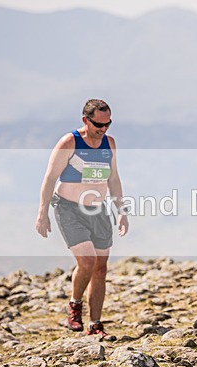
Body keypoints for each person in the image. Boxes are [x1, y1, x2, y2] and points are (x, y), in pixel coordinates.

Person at [35, 99, 129, 341]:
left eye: (108, 124)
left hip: (98, 209)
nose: (103, 129)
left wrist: (122, 211)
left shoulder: (109, 143)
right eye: (98, 125)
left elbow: (114, 179)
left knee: (100, 268)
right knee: (87, 261)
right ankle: (75, 305)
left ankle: (95, 324)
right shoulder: (69, 142)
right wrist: (43, 213)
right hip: (69, 209)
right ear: (85, 120)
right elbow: (50, 178)